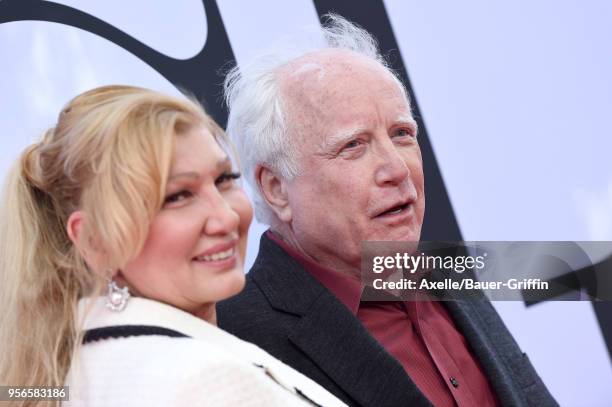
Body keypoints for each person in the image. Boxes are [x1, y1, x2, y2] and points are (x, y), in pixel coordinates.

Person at [217, 14, 558, 407]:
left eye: (401, 134)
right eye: (353, 145)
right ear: (276, 188)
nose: (397, 169)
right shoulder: (234, 343)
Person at [0, 85, 346, 406]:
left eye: (224, 179)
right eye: (178, 196)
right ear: (95, 241)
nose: (226, 218)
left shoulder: (72, 369)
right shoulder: (203, 380)